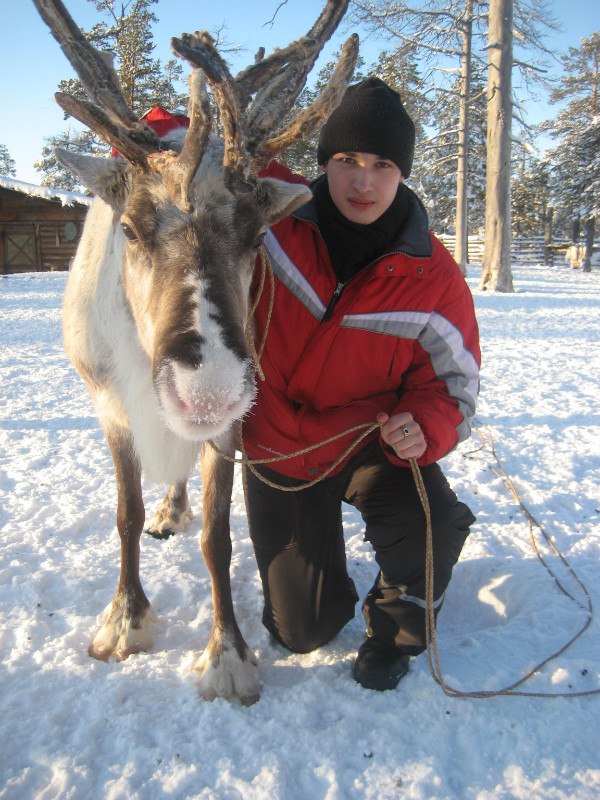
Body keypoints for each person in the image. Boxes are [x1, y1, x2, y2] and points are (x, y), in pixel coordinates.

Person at [243, 77, 480, 691]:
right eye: (347, 161)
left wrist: (425, 426)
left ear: (403, 173)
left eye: (382, 164)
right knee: (300, 632)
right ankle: (318, 582)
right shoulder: (272, 219)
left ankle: (397, 625)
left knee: (431, 524)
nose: (363, 182)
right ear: (323, 164)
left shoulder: (432, 272)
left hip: (368, 443)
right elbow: (201, 153)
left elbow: (453, 385)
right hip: (280, 451)